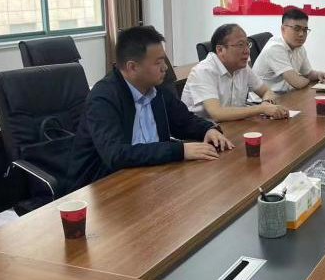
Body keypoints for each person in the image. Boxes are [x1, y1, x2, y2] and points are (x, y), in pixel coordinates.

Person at [68, 26, 233, 190]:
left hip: (151, 176)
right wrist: (179, 150)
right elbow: (116, 155)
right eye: (158, 62)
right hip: (105, 186)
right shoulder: (103, 99)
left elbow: (184, 121)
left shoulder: (155, 88)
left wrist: (208, 129)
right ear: (132, 67)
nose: (165, 67)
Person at [182, 24, 289, 122]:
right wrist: (261, 108)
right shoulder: (203, 71)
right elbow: (217, 114)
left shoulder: (242, 67)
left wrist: (267, 103)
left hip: (233, 125)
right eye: (240, 45)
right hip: (202, 132)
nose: (247, 51)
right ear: (220, 50)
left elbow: (266, 91)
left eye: (247, 44)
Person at [252, 8, 325, 93]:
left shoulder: (299, 47)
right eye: (296, 29)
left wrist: (319, 74)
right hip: (265, 99)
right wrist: (305, 80)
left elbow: (308, 74)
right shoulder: (275, 48)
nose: (301, 34)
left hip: (285, 95)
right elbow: (297, 83)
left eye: (305, 30)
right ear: (283, 29)